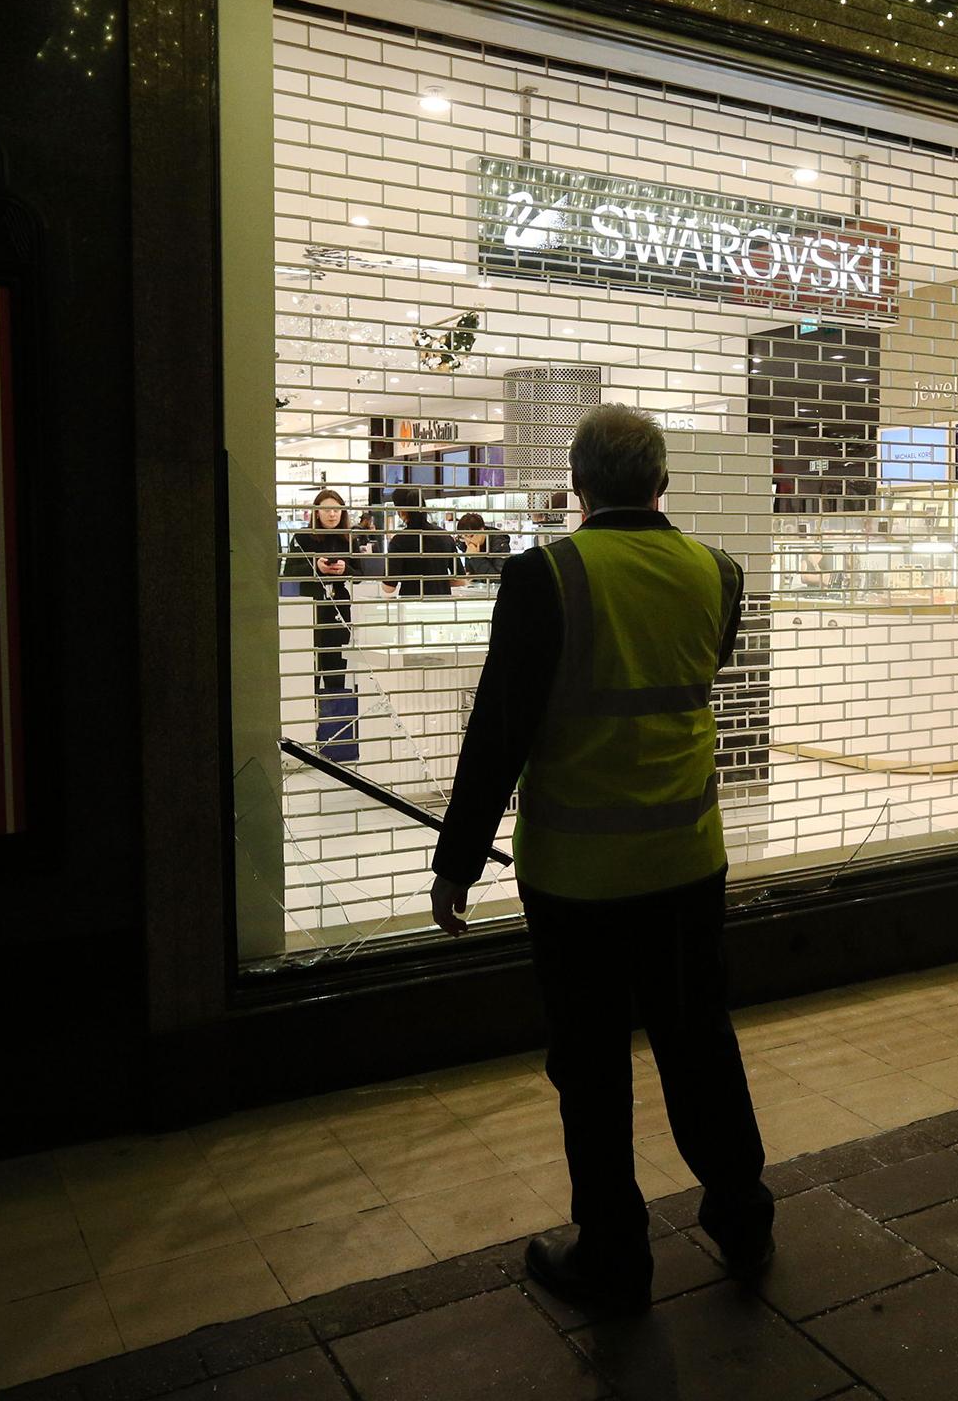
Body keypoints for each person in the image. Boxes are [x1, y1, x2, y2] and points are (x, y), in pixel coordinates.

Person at [428, 404, 772, 1311]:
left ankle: (616, 1255)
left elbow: (499, 729)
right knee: (701, 1046)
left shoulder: (547, 576)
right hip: (689, 865)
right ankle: (744, 1217)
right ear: (662, 484)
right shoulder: (719, 573)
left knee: (591, 1067)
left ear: (577, 485)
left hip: (576, 880)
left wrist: (458, 856)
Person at [282, 489, 369, 755]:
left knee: (336, 671)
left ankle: (334, 738)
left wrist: (345, 570)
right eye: (327, 509)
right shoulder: (302, 539)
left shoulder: (349, 538)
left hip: (340, 612)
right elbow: (288, 574)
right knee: (309, 672)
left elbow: (361, 573)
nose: (332, 514)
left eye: (336, 509)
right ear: (316, 512)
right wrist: (315, 567)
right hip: (309, 615)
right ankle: (305, 737)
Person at [381, 486, 466, 596]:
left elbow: (389, 587)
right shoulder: (444, 536)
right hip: (443, 604)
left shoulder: (399, 541)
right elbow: (461, 580)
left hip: (411, 605)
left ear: (401, 512)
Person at [455, 511, 508, 581]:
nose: (467, 542)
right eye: (463, 537)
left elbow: (499, 578)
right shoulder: (466, 544)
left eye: (471, 536)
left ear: (482, 530)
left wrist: (476, 557)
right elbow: (470, 573)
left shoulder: (499, 543)